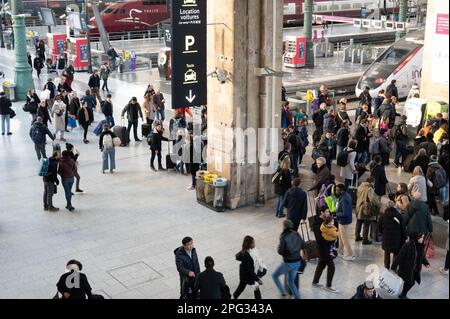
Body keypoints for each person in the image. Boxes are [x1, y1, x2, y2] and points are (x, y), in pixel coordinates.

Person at [392, 232, 430, 299]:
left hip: (415, 269)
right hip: (407, 269)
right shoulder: (407, 246)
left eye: (423, 237)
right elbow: (400, 256)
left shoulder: (420, 246)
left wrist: (426, 263)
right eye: (421, 237)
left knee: (410, 283)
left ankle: (403, 295)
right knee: (410, 283)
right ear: (417, 238)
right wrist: (394, 266)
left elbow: (422, 256)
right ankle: (403, 295)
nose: (422, 239)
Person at [272, 220, 304, 299]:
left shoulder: (284, 236)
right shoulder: (296, 234)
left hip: (288, 263)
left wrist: (280, 248)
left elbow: (281, 251)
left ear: (285, 226)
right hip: (297, 262)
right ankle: (297, 297)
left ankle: (283, 293)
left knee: (274, 276)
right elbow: (303, 245)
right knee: (290, 282)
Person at [311, 207, 338, 292]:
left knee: (321, 264)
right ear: (321, 212)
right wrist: (331, 239)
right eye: (326, 211)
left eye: (328, 211)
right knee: (331, 266)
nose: (328, 213)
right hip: (322, 247)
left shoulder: (326, 220)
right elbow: (319, 238)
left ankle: (315, 282)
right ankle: (328, 286)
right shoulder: (317, 223)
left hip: (326, 246)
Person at [379, 201, 407, 269]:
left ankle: (386, 267)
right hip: (396, 239)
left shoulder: (383, 216)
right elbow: (403, 228)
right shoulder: (399, 216)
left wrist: (384, 233)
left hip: (386, 239)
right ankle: (394, 267)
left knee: (387, 253)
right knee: (396, 253)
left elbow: (379, 228)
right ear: (394, 206)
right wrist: (404, 237)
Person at [355, 177, 380, 245]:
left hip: (358, 206)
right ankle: (365, 239)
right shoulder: (369, 189)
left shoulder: (360, 186)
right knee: (366, 223)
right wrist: (378, 204)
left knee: (359, 221)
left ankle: (357, 236)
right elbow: (372, 199)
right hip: (365, 208)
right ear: (371, 182)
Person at [335, 184, 355, 261]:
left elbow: (345, 213)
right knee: (340, 236)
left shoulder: (343, 199)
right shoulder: (346, 195)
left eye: (337, 190)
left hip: (343, 221)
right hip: (343, 220)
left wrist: (336, 213)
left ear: (341, 190)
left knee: (344, 238)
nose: (336, 191)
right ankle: (340, 251)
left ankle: (349, 254)